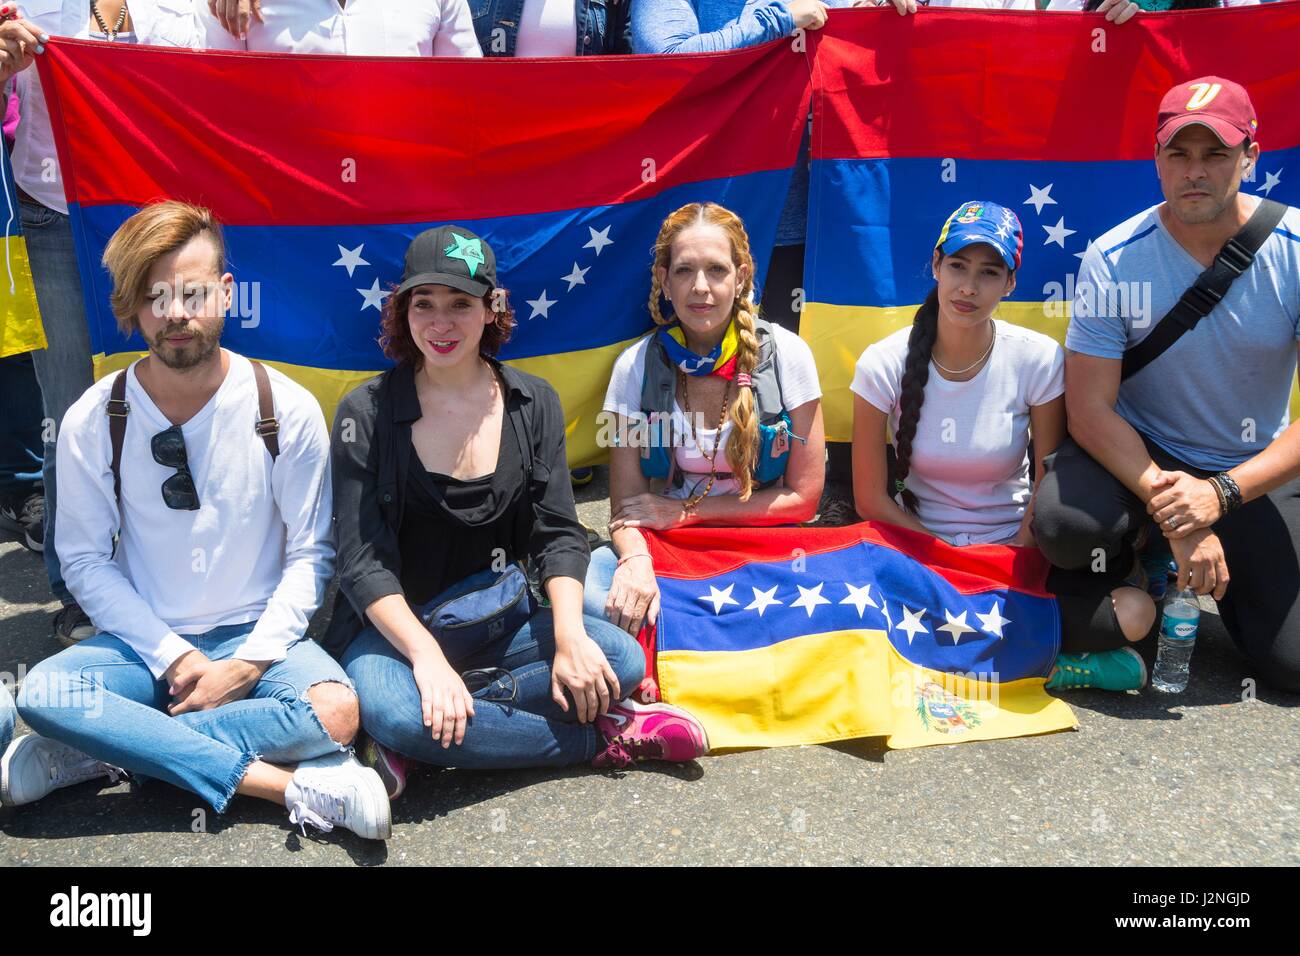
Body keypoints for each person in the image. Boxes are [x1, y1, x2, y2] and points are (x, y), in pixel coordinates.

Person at [3, 201, 391, 840]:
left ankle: (110, 748)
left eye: (192, 292)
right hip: (141, 646)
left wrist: (248, 664)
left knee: (337, 712)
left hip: (258, 639)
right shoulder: (93, 417)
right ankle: (288, 786)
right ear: (131, 305)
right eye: (154, 296)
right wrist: (174, 656)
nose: (175, 313)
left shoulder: (283, 408)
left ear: (227, 293)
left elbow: (311, 555)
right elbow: (82, 561)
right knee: (43, 695)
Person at [327, 225, 708, 801]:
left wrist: (570, 633)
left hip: (498, 616)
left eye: (460, 304)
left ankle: (448, 726)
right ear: (402, 313)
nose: (440, 323)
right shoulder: (366, 411)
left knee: (619, 661)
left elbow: (557, 531)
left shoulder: (534, 402)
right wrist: (427, 660)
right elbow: (361, 562)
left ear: (490, 310)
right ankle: (602, 739)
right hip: (397, 637)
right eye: (423, 304)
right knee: (396, 712)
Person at [1032, 77, 1300, 693]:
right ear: (1157, 161)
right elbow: (1089, 410)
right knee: (1067, 526)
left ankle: (1182, 582)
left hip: (1246, 464)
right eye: (1178, 153)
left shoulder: (1292, 248)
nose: (1194, 171)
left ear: (1251, 157)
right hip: (1142, 453)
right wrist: (1180, 512)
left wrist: (1222, 496)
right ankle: (1145, 555)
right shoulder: (1114, 255)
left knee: (1292, 666)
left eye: (1216, 153)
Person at [851, 201, 1157, 692]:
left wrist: (1014, 549)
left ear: (1010, 283)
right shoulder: (881, 363)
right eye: (957, 266)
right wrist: (943, 554)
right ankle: (1048, 665)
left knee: (1136, 613)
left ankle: (984, 657)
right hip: (922, 555)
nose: (969, 287)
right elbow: (871, 500)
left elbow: (1046, 480)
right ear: (935, 265)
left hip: (1016, 550)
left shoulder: (1037, 358)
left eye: (988, 272)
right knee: (850, 612)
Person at [1, 1, 208, 646]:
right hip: (54, 218)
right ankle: (79, 591)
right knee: (72, 414)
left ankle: (185, 583)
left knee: (180, 401)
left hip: (165, 225)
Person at [586, 202, 825, 647]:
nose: (701, 288)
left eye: (716, 270)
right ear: (663, 279)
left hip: (765, 542)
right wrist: (635, 561)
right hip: (671, 544)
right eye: (683, 271)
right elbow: (627, 508)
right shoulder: (633, 369)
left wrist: (685, 513)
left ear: (742, 275)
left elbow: (803, 499)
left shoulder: (790, 357)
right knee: (595, 599)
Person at [202, 0, 482, 55]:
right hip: (285, 199)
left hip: (406, 192)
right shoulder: (235, 5)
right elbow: (213, 105)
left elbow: (467, 97)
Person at [1046, 0, 1257, 23]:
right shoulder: (1072, 3)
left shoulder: (1235, 3)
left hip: (1196, 136)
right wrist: (1091, 29)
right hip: (1113, 136)